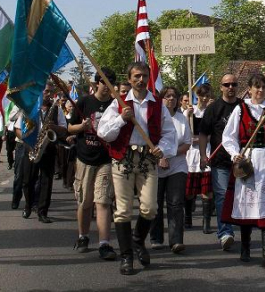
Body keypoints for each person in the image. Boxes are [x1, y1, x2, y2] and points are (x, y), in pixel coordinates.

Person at [97, 61, 178, 275]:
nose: (140, 80)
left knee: (150, 207)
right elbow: (104, 133)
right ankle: (127, 257)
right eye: (136, 76)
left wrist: (162, 149)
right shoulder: (118, 103)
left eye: (144, 76)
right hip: (123, 159)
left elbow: (170, 134)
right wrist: (121, 120)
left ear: (148, 78)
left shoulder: (158, 104)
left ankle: (138, 240)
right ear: (130, 78)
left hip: (147, 160)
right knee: (122, 210)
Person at [221, 73, 265, 271]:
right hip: (249, 161)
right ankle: (245, 247)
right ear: (250, 89)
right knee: (248, 206)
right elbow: (228, 136)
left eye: (263, 87)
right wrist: (235, 154)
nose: (260, 91)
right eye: (256, 87)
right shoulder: (241, 109)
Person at [68, 68, 118, 261]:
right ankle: (83, 236)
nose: (108, 87)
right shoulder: (84, 102)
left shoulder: (115, 105)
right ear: (97, 83)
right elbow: (69, 127)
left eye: (111, 83)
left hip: (106, 159)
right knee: (85, 201)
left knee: (103, 201)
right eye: (105, 82)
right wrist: (82, 127)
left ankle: (104, 243)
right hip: (84, 158)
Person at [198, 73, 241, 251]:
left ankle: (245, 232)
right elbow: (203, 134)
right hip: (220, 161)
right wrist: (202, 155)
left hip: (241, 161)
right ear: (221, 87)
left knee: (242, 197)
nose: (230, 87)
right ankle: (225, 233)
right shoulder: (213, 108)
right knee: (222, 195)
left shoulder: (243, 107)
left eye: (233, 84)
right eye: (227, 84)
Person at [16, 81, 68, 223]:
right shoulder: (29, 108)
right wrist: (28, 143)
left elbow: (64, 129)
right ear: (39, 92)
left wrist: (54, 127)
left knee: (46, 181)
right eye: (46, 91)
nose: (48, 94)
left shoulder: (57, 109)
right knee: (27, 180)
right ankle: (28, 205)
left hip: (48, 149)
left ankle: (42, 212)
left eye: (50, 92)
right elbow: (17, 128)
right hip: (31, 148)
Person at [149, 86, 191, 253]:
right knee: (155, 203)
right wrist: (160, 157)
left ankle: (176, 240)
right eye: (167, 96)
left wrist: (170, 155)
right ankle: (156, 237)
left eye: (174, 96)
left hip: (178, 166)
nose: (171, 99)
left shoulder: (182, 119)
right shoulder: (154, 117)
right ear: (161, 98)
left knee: (175, 203)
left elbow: (186, 143)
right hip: (156, 166)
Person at [184, 83, 214, 233]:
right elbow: (184, 132)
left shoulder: (211, 112)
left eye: (207, 96)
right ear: (197, 96)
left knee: (207, 189)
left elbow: (213, 132)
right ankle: (188, 216)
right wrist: (187, 115)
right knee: (189, 191)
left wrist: (205, 139)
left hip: (206, 151)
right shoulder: (190, 112)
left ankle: (206, 222)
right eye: (201, 95)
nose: (204, 98)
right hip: (191, 153)